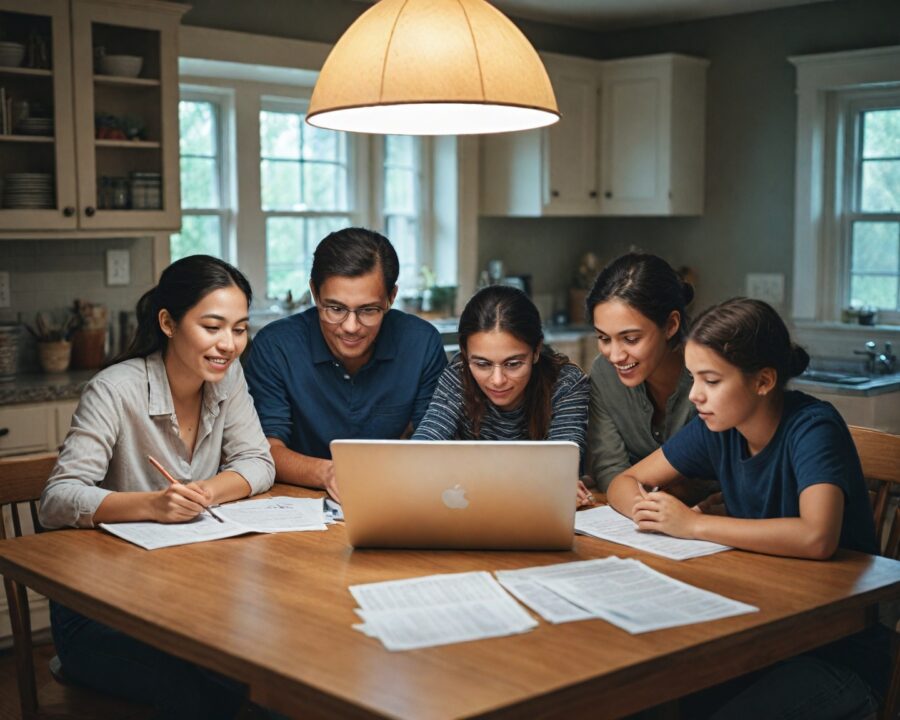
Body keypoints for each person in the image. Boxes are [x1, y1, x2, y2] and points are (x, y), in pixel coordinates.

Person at [607, 297, 886, 719]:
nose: (696, 395)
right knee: (640, 698)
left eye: (711, 380)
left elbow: (817, 536)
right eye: (693, 378)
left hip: (835, 659)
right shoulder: (716, 427)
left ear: (763, 381)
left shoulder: (813, 428)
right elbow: (622, 483)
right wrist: (649, 511)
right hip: (760, 641)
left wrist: (694, 526)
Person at [39, 255, 275, 719]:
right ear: (168, 322)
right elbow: (57, 498)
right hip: (102, 615)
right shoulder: (114, 389)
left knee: (271, 670)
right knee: (213, 687)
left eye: (240, 329)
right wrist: (153, 504)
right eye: (212, 326)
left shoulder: (228, 380)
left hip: (189, 599)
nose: (228, 345)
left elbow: (258, 461)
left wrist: (206, 491)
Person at [244, 227, 447, 502]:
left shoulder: (421, 343)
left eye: (368, 310)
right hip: (296, 504)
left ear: (391, 297)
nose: (351, 327)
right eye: (336, 309)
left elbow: (436, 446)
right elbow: (264, 449)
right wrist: (327, 473)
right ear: (315, 293)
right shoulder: (276, 346)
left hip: (394, 497)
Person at [413, 285, 591, 504]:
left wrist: (559, 481)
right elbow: (424, 446)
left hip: (535, 514)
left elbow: (563, 466)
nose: (497, 380)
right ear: (464, 352)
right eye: (482, 364)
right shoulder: (458, 375)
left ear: (536, 351)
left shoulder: (566, 383)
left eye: (513, 364)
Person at [586, 252, 713, 504]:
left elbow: (719, 478)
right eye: (603, 338)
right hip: (639, 521)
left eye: (631, 339)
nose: (615, 355)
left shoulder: (711, 378)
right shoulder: (603, 373)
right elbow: (609, 469)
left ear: (671, 325)